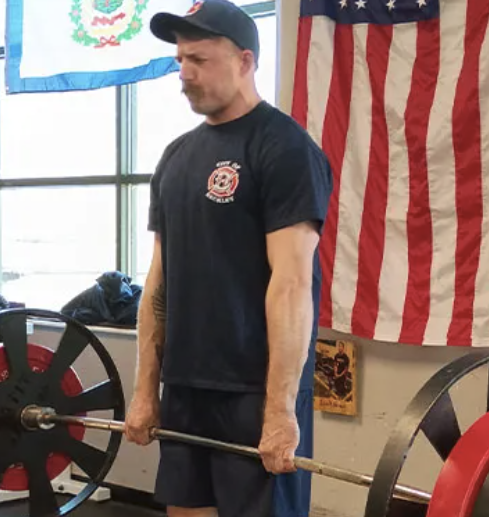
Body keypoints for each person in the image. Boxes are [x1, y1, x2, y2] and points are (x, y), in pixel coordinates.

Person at [124, 1, 333, 516]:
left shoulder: (283, 147)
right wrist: (146, 389)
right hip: (187, 384)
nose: (184, 75)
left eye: (199, 59)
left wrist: (281, 409)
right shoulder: (175, 158)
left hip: (252, 390)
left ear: (245, 60)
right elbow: (158, 285)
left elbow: (291, 284)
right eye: (179, 61)